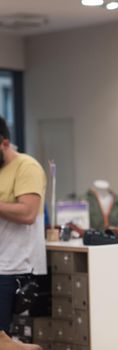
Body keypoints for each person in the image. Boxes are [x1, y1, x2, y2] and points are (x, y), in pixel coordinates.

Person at [0, 117, 47, 336]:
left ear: (5, 143)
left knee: (4, 338)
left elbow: (28, 213)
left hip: (13, 267)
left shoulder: (27, 167)